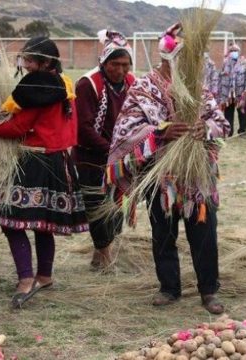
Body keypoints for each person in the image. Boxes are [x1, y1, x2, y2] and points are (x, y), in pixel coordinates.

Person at [106, 23, 228, 313]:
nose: (193, 65)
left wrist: (205, 128)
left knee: (205, 230)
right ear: (169, 58)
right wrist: (160, 132)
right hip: (160, 175)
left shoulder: (200, 89)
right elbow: (125, 130)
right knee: (163, 231)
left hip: (196, 174)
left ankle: (209, 291)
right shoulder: (143, 88)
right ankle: (169, 287)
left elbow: (221, 123)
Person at [0, 36, 88, 308]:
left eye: (30, 60)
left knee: (10, 220)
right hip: (60, 161)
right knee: (43, 223)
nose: (25, 64)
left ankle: (26, 278)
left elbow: (16, 127)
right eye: (24, 59)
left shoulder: (38, 87)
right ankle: (44, 275)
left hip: (36, 162)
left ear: (46, 62)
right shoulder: (64, 84)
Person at [74, 30, 135, 270]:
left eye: (125, 65)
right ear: (104, 62)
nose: (120, 70)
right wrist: (111, 150)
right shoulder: (88, 84)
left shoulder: (132, 83)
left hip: (122, 157)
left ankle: (101, 252)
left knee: (117, 202)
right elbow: (84, 128)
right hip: (91, 157)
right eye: (115, 64)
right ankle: (105, 252)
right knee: (96, 205)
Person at [218, 42, 246, 138]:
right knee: (228, 113)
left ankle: (242, 132)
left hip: (241, 94)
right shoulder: (225, 63)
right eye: (231, 51)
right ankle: (228, 132)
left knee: (242, 113)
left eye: (235, 50)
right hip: (229, 94)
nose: (233, 52)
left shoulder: (245, 63)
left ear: (239, 52)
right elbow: (221, 77)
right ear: (229, 52)